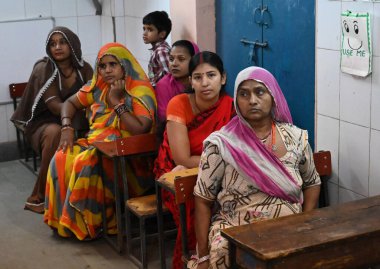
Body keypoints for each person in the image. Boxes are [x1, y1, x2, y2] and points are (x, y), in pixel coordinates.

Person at [190, 66, 321, 269]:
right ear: (236, 99)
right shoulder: (223, 143)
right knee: (223, 251)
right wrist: (204, 255)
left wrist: (305, 221)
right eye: (244, 94)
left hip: (289, 226)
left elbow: (312, 182)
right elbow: (203, 199)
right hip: (236, 227)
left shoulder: (296, 138)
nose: (252, 100)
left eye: (259, 92)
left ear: (273, 95)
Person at [44, 42, 156, 240]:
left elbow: (140, 129)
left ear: (125, 65)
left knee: (85, 163)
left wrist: (115, 102)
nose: (107, 70)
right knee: (62, 156)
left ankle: (93, 224)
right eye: (102, 66)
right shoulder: (97, 86)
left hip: (130, 157)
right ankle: (65, 223)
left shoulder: (139, 91)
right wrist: (67, 126)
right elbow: (69, 103)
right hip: (98, 145)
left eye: (113, 64)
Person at [154, 51, 235, 269]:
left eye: (211, 75)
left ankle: (222, 257)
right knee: (195, 202)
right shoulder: (178, 104)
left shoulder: (231, 106)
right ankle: (197, 259)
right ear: (190, 81)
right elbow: (182, 157)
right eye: (198, 77)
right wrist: (223, 164)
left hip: (215, 171)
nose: (205, 83)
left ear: (223, 78)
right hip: (175, 172)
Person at [10, 26, 93, 214]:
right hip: (42, 124)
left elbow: (94, 97)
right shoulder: (43, 68)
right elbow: (56, 105)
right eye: (53, 43)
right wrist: (68, 124)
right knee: (55, 133)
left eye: (62, 42)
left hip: (73, 121)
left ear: (73, 44)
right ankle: (40, 196)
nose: (57, 47)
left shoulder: (84, 68)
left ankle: (79, 196)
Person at [155, 39, 199, 137]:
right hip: (173, 135)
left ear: (194, 60)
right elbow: (165, 118)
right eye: (171, 59)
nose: (174, 63)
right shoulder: (163, 85)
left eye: (181, 59)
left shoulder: (201, 82)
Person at [142, 10, 172, 87]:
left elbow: (169, 76)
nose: (144, 33)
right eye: (144, 29)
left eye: (150, 29)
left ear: (162, 34)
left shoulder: (161, 51)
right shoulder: (158, 50)